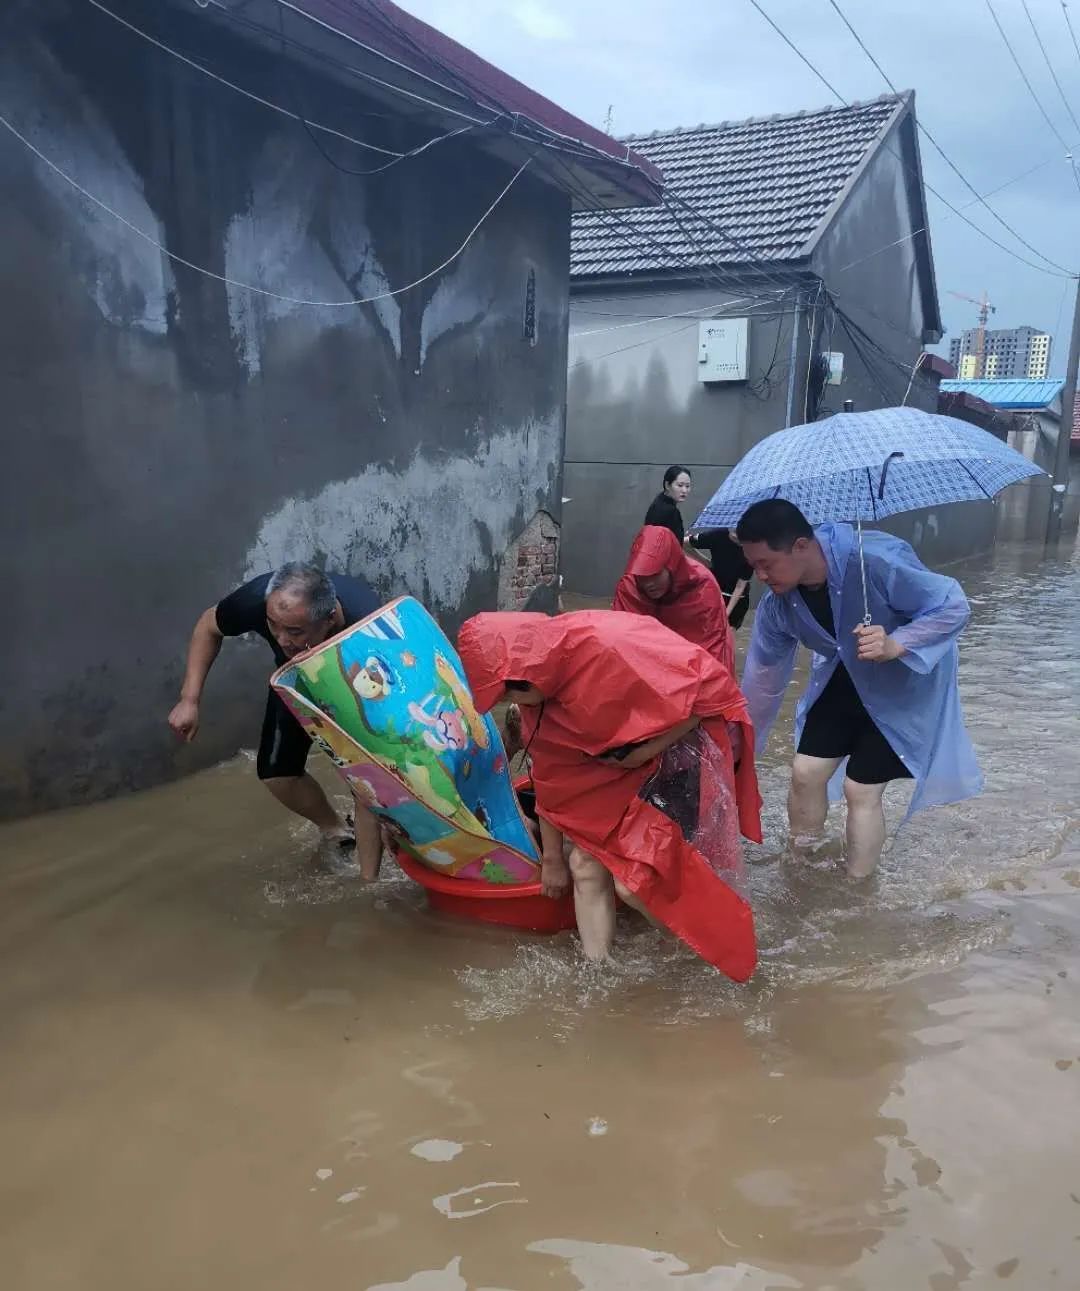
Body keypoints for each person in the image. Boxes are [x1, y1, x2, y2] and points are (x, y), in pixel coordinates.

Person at [457, 611, 763, 980]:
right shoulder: (536, 707)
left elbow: (710, 693)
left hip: (675, 757)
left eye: (510, 691)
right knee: (583, 865)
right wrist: (552, 858)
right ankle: (597, 975)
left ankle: (684, 953)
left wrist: (645, 750)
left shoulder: (612, 647)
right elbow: (554, 781)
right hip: (614, 768)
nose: (511, 702)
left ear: (528, 673)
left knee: (636, 883)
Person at [736, 500, 982, 879]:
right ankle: (801, 867)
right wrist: (741, 745)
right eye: (754, 566)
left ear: (801, 545)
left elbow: (952, 606)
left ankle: (856, 888)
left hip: (906, 685)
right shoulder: (778, 607)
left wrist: (898, 643)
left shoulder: (875, 561)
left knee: (860, 788)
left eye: (766, 564)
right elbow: (763, 679)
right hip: (844, 675)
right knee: (804, 771)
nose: (761, 575)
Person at [167, 562, 384, 875]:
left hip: (358, 685)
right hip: (296, 676)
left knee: (368, 785)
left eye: (295, 631)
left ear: (330, 620)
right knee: (276, 774)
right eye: (273, 626)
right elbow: (207, 626)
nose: (281, 639)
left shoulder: (365, 626)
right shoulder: (256, 600)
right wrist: (189, 699)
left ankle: (375, 872)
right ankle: (337, 831)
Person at [612, 525, 735, 675]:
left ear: (671, 565)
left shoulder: (702, 587)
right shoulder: (630, 586)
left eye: (655, 573)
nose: (648, 583)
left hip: (692, 671)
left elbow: (709, 655)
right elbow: (623, 643)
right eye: (642, 575)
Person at [688, 527, 754, 629]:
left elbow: (740, 586)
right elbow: (684, 542)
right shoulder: (716, 535)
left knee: (728, 634)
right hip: (714, 593)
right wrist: (706, 562)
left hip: (737, 600)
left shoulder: (751, 547)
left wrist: (726, 613)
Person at [644, 465, 692, 545]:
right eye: (680, 485)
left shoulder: (658, 502)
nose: (684, 490)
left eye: (687, 486)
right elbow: (676, 545)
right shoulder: (671, 511)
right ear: (667, 485)